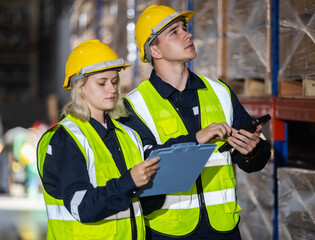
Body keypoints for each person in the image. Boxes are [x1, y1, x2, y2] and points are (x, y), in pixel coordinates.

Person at [120, 4, 271, 240]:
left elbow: (255, 160)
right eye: (174, 32)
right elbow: (142, 168)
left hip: (224, 228)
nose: (187, 34)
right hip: (168, 232)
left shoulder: (219, 91)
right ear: (155, 51)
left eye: (184, 28)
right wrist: (196, 140)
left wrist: (252, 150)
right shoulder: (134, 106)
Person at [37, 39, 160, 240]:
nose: (112, 89)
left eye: (114, 82)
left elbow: (140, 204)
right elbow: (81, 207)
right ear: (80, 87)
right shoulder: (66, 139)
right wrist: (129, 182)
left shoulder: (127, 135)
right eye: (102, 83)